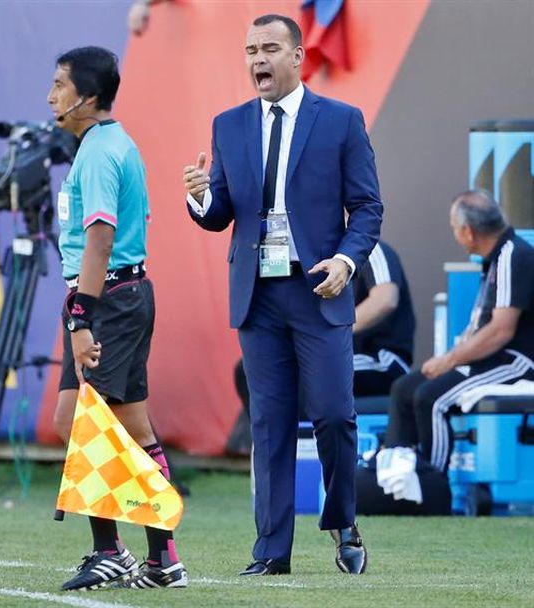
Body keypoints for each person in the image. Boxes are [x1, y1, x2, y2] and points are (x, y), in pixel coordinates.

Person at [183, 14, 382, 575]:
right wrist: (200, 198)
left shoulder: (341, 121)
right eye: (250, 50)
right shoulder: (229, 125)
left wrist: (346, 261)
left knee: (333, 415)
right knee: (269, 423)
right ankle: (271, 552)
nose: (257, 59)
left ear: (298, 57)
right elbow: (223, 212)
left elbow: (367, 207)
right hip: (257, 294)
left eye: (270, 48)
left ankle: (343, 522)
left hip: (319, 286)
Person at [48, 46, 187, 591]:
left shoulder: (103, 150)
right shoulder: (96, 146)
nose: (51, 94)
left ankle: (121, 552)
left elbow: (100, 237)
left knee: (92, 426)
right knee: (97, 424)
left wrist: (82, 317)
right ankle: (158, 558)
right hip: (109, 299)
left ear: (88, 96)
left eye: (60, 84)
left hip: (111, 302)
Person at [386, 190, 534, 472]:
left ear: (467, 231)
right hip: (492, 358)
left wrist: (449, 360)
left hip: (518, 362)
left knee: (432, 398)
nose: (455, 234)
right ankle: (394, 472)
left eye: (454, 228)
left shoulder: (513, 255)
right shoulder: (495, 259)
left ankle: (433, 486)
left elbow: (501, 331)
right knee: (405, 388)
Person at [352, 240, 416, 397]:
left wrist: (329, 333)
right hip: (346, 357)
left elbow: (385, 300)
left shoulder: (369, 248)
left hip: (382, 359)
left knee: (317, 373)